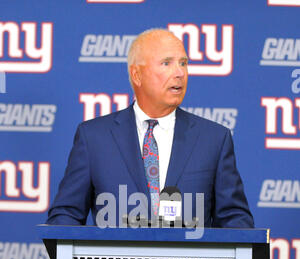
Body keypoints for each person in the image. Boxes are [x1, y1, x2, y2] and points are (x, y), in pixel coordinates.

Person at [46, 28, 254, 228]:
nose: (179, 73)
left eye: (183, 63)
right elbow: (65, 217)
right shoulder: (94, 138)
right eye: (167, 63)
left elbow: (235, 220)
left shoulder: (214, 139)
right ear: (137, 75)